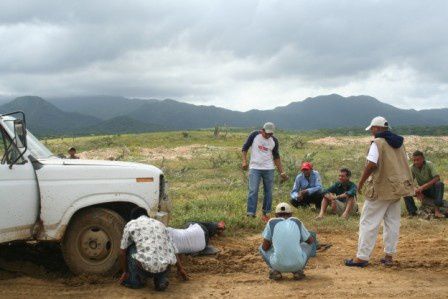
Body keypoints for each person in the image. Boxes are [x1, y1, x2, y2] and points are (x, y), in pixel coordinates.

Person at [345, 116, 414, 268]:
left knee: (368, 222)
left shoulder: (377, 143)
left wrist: (360, 183)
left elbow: (371, 164)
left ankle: (362, 257)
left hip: (381, 188)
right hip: (397, 188)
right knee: (392, 222)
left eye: (372, 129)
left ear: (377, 128)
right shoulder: (399, 143)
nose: (371, 131)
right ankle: (389, 256)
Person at [119, 207, 178, 291]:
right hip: (164, 267)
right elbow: (173, 249)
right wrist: (180, 269)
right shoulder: (160, 224)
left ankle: (135, 281)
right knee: (163, 247)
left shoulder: (131, 224)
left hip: (143, 267)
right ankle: (161, 280)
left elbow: (122, 252)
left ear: (133, 218)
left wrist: (124, 272)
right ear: (147, 215)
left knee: (130, 247)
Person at [242, 122, 288, 222]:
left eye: (270, 134)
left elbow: (276, 157)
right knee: (253, 190)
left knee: (268, 192)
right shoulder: (254, 135)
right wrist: (244, 161)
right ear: (262, 130)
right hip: (255, 168)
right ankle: (251, 214)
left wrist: (281, 172)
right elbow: (245, 148)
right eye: (267, 133)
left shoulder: (274, 140)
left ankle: (266, 214)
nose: (268, 136)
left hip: (269, 169)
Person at [259, 202, 316, 280]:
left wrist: (274, 242)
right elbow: (310, 241)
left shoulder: (271, 222)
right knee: (309, 244)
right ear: (291, 214)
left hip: (277, 264)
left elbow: (265, 247)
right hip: (298, 264)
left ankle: (275, 272)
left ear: (276, 215)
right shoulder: (297, 221)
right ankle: (298, 271)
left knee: (261, 248)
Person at [404, 151, 445, 218]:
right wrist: (416, 190)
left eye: (418, 160)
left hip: (432, 190)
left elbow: (437, 178)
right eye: (414, 160)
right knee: (405, 190)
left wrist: (423, 187)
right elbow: (408, 182)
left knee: (439, 184)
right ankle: (412, 212)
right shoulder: (412, 168)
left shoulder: (429, 164)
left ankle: (437, 211)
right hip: (422, 191)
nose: (416, 162)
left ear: (423, 159)